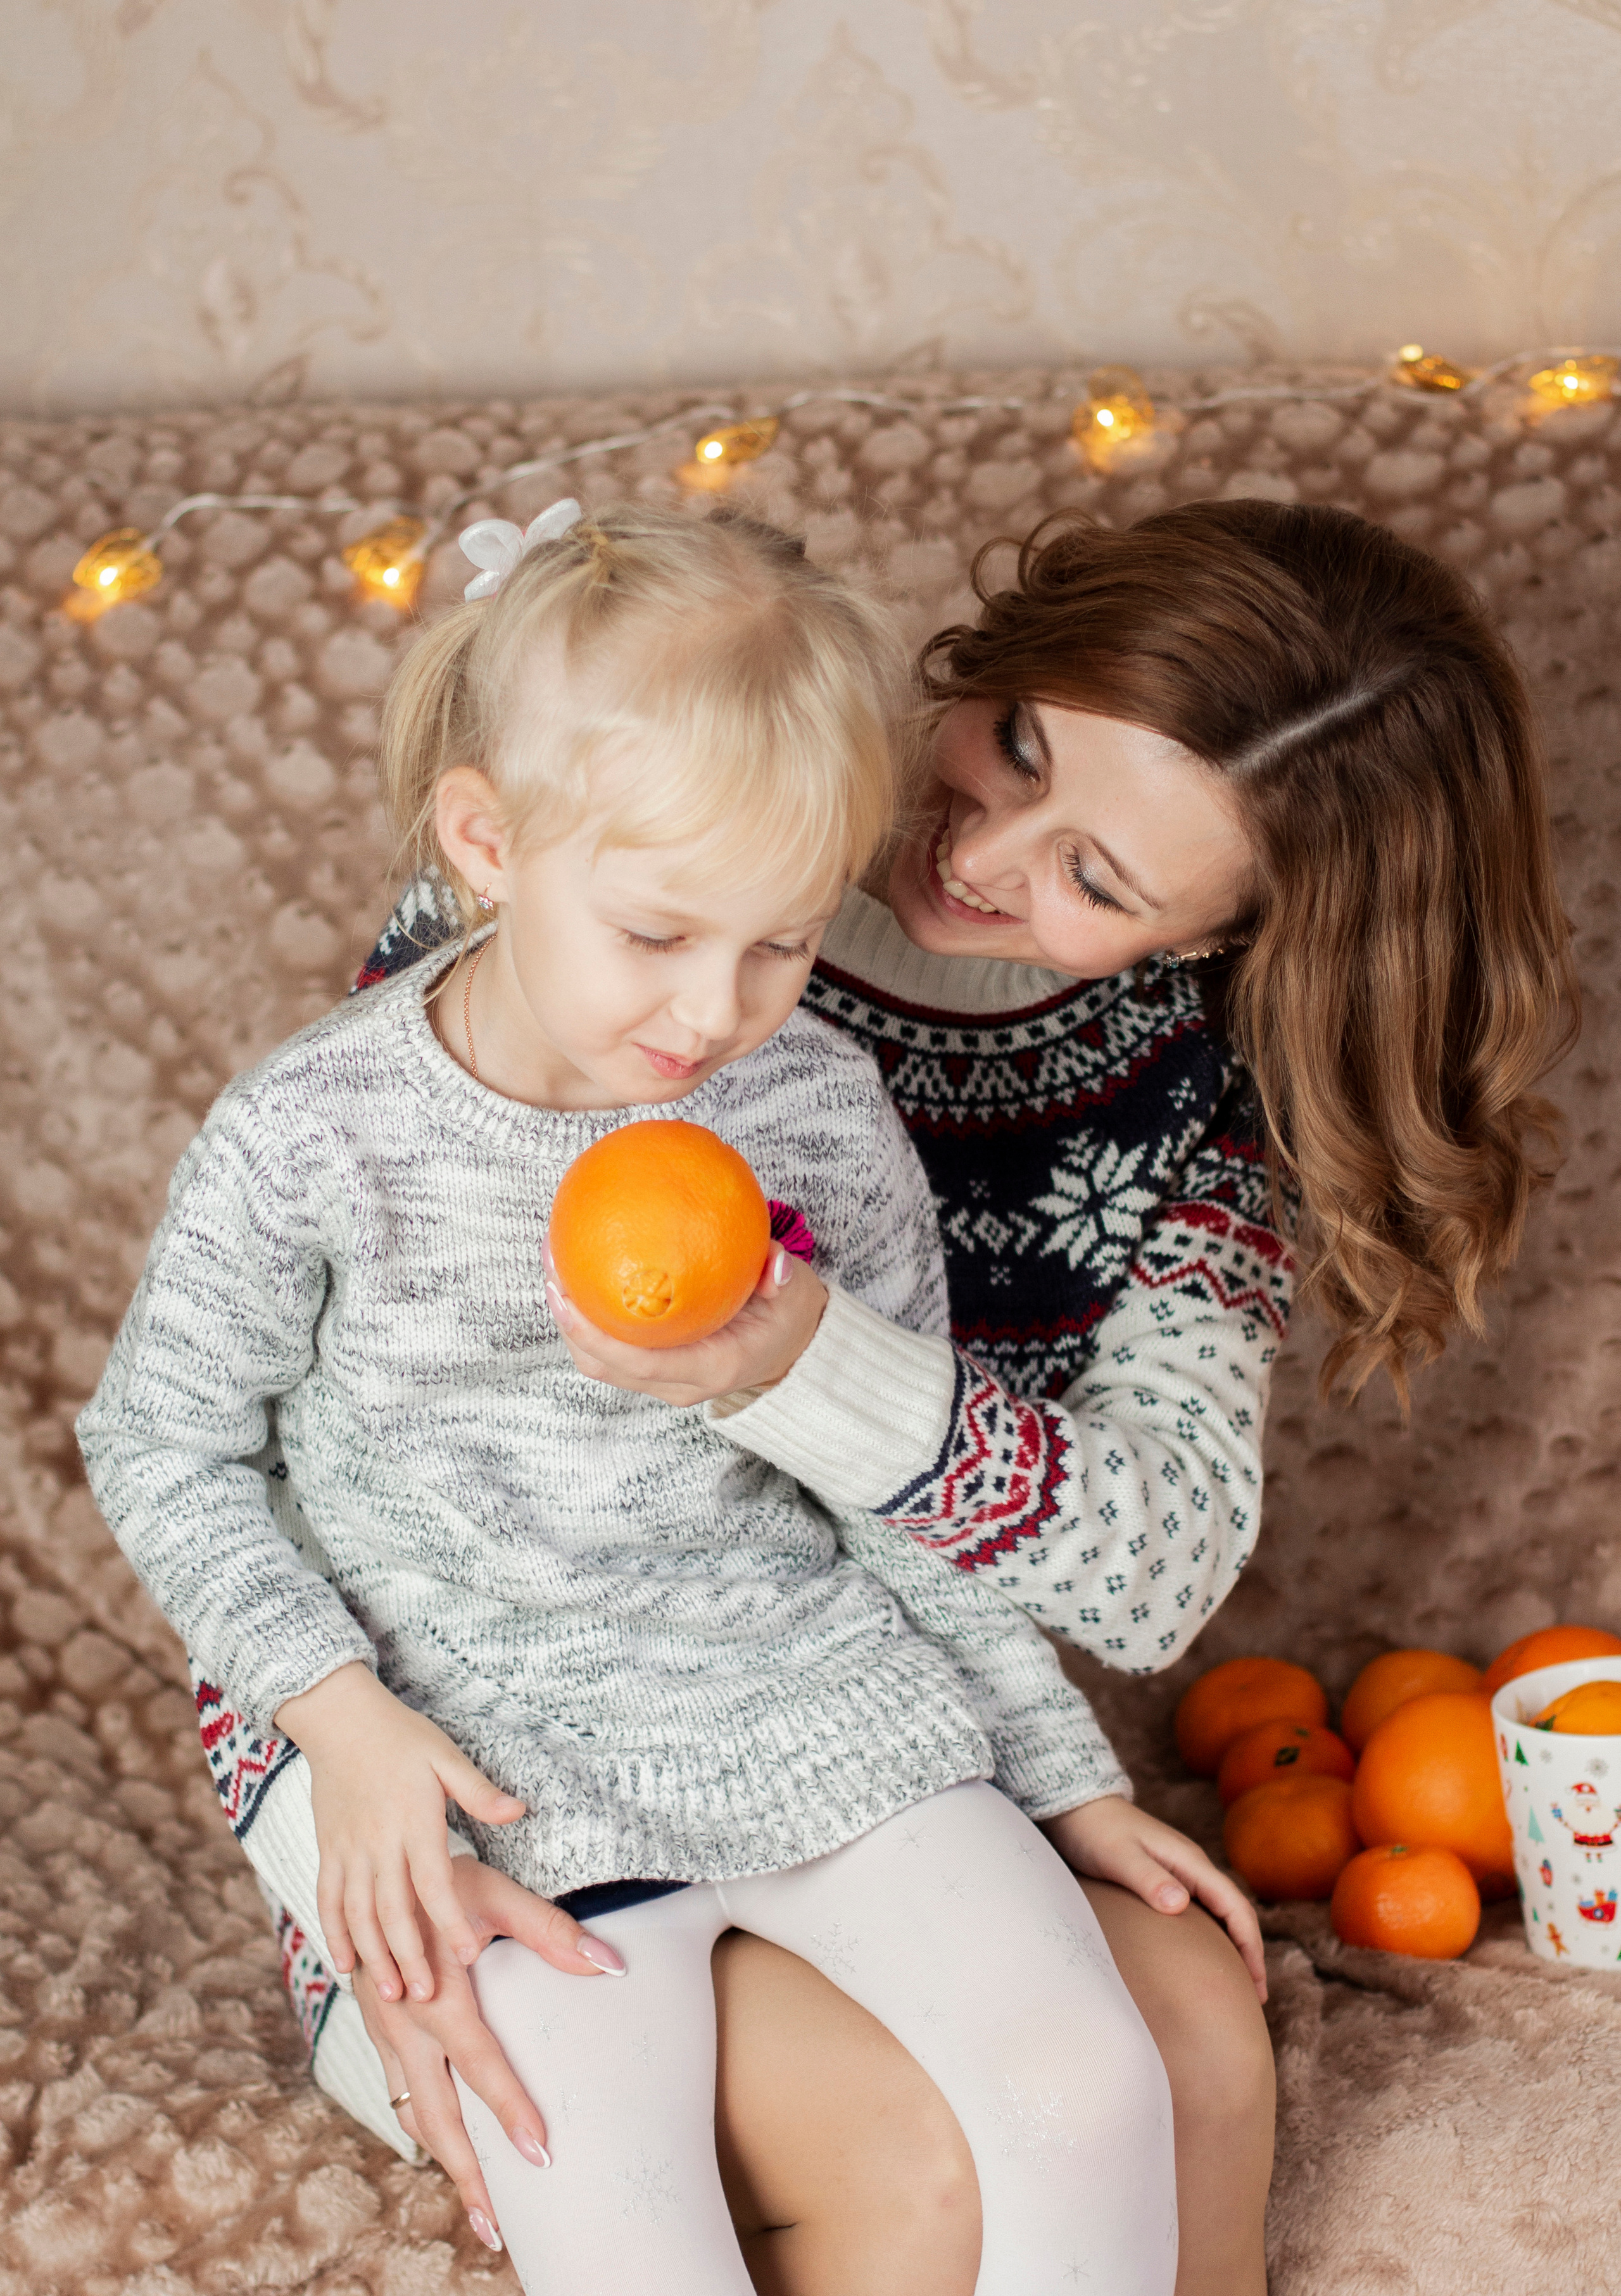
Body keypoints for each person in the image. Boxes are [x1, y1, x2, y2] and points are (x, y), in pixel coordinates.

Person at [185, 499, 1575, 2296]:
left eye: (1099, 876)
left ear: (1219, 942)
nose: (984, 849)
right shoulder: (669, 858)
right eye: (1013, 744)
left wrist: (810, 1367)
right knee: (918, 2167)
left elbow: (1150, 1566)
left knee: (1204, 2056)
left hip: (844, 1735)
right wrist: (338, 1854)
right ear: (997, 657)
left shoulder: (1194, 1121)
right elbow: (314, 1448)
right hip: (493, 1780)